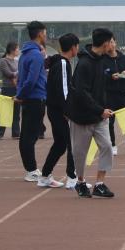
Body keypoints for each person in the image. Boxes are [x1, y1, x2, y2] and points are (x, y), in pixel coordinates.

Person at [65, 28, 117, 198]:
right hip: (81, 117)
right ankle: (80, 182)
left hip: (99, 117)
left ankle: (99, 184)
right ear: (105, 43)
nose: (113, 45)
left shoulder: (103, 60)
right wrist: (100, 110)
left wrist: (103, 108)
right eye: (111, 42)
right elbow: (81, 93)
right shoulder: (84, 64)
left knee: (107, 146)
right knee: (80, 153)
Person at [39, 33, 79, 189]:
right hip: (59, 110)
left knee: (61, 144)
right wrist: (67, 110)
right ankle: (72, 179)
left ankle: (45, 176)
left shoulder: (59, 62)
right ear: (73, 47)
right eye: (77, 46)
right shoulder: (62, 63)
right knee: (71, 143)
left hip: (54, 109)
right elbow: (64, 90)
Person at [17, 21, 49, 182]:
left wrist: (20, 94)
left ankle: (31, 168)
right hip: (35, 98)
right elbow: (31, 80)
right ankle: (31, 170)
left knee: (28, 134)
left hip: (30, 98)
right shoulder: (36, 55)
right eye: (45, 33)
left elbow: (23, 78)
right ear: (40, 34)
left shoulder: (25, 54)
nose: (46, 36)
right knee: (30, 135)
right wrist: (21, 94)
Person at [104, 38, 125, 155]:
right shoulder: (102, 60)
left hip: (122, 95)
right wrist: (110, 77)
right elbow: (100, 76)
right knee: (109, 122)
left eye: (112, 42)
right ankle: (112, 145)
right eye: (108, 42)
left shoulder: (124, 58)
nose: (110, 44)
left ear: (115, 43)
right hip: (108, 95)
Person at [0, 42, 20, 139]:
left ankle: (16, 133)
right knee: (4, 111)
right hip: (7, 88)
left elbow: (16, 74)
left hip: (16, 88)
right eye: (17, 49)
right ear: (12, 50)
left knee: (16, 112)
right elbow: (9, 74)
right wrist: (19, 72)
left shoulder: (17, 61)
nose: (18, 51)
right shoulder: (3, 61)